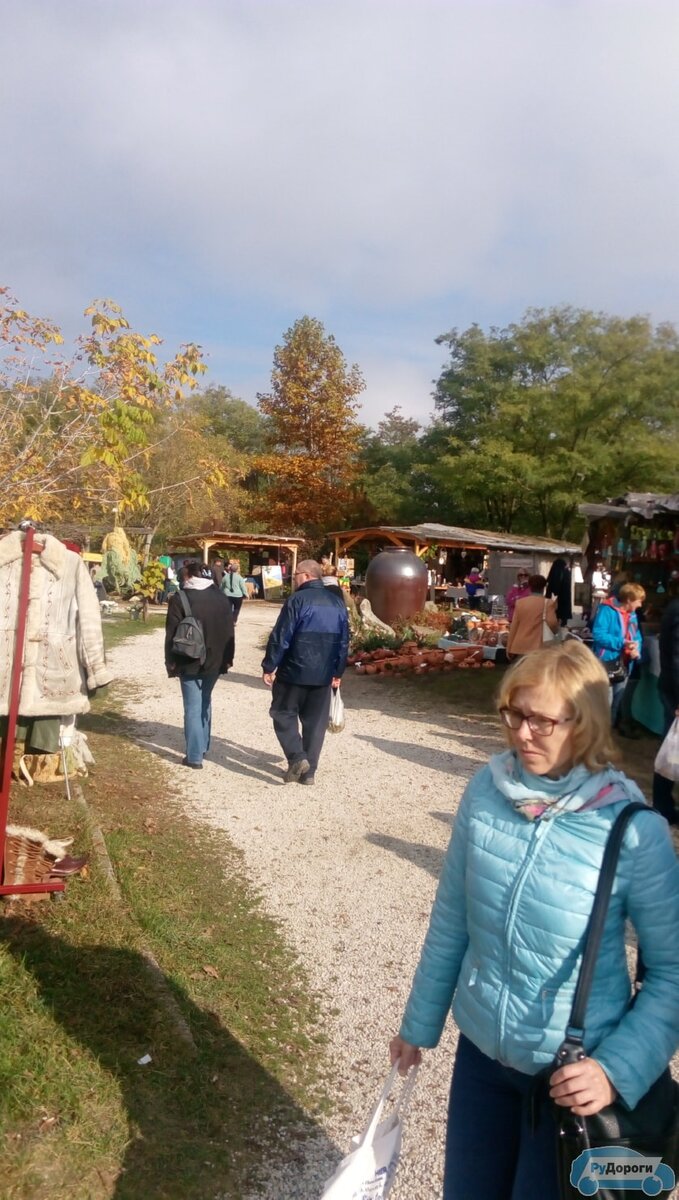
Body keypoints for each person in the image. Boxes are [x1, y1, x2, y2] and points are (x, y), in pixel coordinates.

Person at [389, 640, 679, 1200]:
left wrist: (615, 1070)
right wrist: (418, 1025)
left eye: (541, 721)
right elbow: (452, 917)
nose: (522, 734)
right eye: (513, 714)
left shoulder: (632, 831)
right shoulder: (486, 792)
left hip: (572, 1081)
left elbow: (672, 972)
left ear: (585, 724)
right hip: (481, 1059)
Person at [261, 559, 348, 785]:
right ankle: (309, 773)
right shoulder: (337, 603)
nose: (293, 577)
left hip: (294, 672)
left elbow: (281, 636)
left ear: (307, 576)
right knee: (315, 723)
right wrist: (338, 671)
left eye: (295, 573)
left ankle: (297, 757)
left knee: (282, 713)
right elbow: (344, 641)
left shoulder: (297, 600)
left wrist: (270, 665)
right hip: (323, 674)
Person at [165, 561, 234, 769]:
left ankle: (194, 756)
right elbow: (230, 631)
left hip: (188, 658)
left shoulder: (180, 598)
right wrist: (228, 658)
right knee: (205, 701)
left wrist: (170, 662)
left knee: (192, 706)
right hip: (216, 658)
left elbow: (171, 634)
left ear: (188, 576)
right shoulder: (221, 598)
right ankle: (203, 745)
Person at [591, 582, 644, 726]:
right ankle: (599, 739)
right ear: (629, 600)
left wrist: (636, 648)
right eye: (639, 601)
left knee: (616, 703)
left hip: (624, 664)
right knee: (605, 705)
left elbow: (636, 635)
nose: (640, 605)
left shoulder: (632, 614)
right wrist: (622, 642)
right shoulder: (607, 610)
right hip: (607, 663)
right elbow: (598, 635)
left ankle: (607, 738)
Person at [653, 579, 679, 824]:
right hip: (675, 693)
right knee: (671, 751)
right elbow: (676, 658)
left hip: (671, 689)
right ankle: (663, 806)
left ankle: (663, 805)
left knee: (671, 750)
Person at [506, 574, 558, 657]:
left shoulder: (520, 603)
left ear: (530, 586)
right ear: (544, 587)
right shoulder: (548, 603)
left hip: (519, 645)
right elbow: (552, 623)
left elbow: (514, 626)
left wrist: (509, 647)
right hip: (539, 646)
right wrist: (556, 631)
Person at [545, 556, 573, 626]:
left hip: (554, 599)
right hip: (564, 599)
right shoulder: (566, 572)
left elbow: (549, 586)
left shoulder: (554, 571)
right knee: (563, 618)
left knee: (554, 616)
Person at [220, 558, 249, 623]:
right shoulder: (240, 578)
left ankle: (228, 621)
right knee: (236, 609)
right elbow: (243, 587)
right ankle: (234, 620)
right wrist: (246, 594)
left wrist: (220, 593)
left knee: (228, 609)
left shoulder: (225, 577)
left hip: (227, 595)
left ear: (230, 569)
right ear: (237, 570)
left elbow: (222, 586)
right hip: (238, 596)